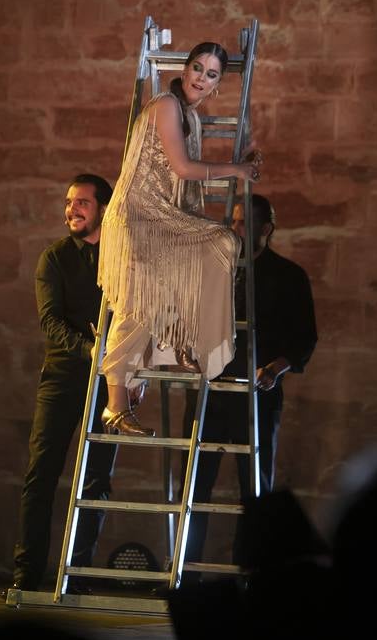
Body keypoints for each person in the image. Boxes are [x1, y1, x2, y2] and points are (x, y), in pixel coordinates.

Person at [97, 41, 262, 437]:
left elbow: (184, 182)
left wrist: (247, 150)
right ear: (184, 70)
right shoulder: (166, 106)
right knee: (138, 302)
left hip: (163, 218)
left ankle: (187, 339)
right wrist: (237, 168)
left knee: (220, 244)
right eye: (197, 69)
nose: (201, 79)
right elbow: (184, 169)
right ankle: (115, 404)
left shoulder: (191, 117)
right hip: (138, 217)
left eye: (211, 74)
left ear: (218, 84)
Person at [182, 195, 318, 566]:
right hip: (212, 393)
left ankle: (253, 574)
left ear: (267, 230)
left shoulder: (289, 276)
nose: (236, 230)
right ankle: (184, 571)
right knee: (193, 485)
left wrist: (273, 369)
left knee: (255, 490)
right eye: (234, 222)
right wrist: (187, 351)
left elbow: (304, 338)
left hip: (258, 394)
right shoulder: (217, 270)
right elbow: (192, 322)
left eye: (244, 223)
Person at [9, 174, 117, 593]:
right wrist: (90, 348)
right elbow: (49, 321)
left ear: (103, 209)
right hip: (63, 375)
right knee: (41, 474)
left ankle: (78, 575)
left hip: (109, 378)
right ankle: (27, 574)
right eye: (70, 202)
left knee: (96, 479)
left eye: (83, 203)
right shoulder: (53, 258)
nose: (72, 209)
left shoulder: (118, 255)